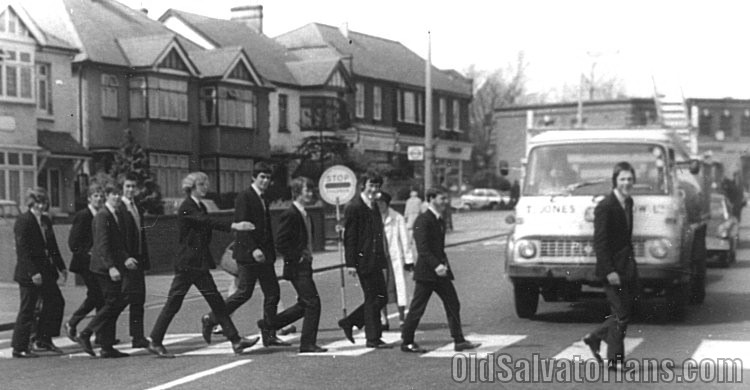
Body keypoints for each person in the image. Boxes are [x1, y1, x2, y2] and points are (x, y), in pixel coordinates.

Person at [147, 172, 260, 357]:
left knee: (216, 302)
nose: (205, 187)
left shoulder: (199, 205)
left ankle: (236, 340)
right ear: (191, 187)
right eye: (201, 184)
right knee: (174, 303)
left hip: (198, 264)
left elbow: (206, 225)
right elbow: (206, 222)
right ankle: (155, 340)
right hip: (187, 264)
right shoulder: (187, 207)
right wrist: (234, 226)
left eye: (206, 183)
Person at [201, 162, 290, 348]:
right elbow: (241, 228)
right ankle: (211, 318)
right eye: (262, 177)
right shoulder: (245, 197)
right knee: (243, 293)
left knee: (272, 293)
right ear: (254, 178)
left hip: (264, 256)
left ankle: (269, 333)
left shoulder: (262, 198)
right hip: (249, 255)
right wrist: (253, 249)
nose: (265, 181)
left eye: (267, 178)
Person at [400, 187, 480, 353]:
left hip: (440, 272)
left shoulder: (439, 220)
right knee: (417, 308)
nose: (445, 202)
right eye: (442, 198)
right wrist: (436, 265)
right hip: (427, 273)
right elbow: (423, 249)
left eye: (446, 198)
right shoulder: (423, 220)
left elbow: (439, 248)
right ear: (431, 199)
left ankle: (459, 340)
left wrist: (443, 266)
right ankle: (407, 341)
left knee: (452, 303)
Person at [582, 161, 638, 370]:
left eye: (630, 179)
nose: (627, 183)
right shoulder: (605, 206)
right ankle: (614, 360)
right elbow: (601, 242)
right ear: (615, 181)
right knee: (621, 314)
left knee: (621, 313)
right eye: (623, 179)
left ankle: (595, 338)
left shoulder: (628, 202)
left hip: (627, 266)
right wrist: (609, 271)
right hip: (612, 269)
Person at [262, 176, 326, 353]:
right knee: (313, 303)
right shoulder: (290, 214)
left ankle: (268, 324)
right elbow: (280, 242)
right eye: (307, 190)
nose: (311, 194)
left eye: (312, 190)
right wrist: (297, 257)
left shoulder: (305, 213)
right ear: (297, 193)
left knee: (304, 305)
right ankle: (307, 344)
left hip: (305, 265)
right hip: (297, 267)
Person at [11, 188, 67, 358]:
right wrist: (33, 272)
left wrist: (61, 266)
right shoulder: (23, 220)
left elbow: (52, 246)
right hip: (29, 273)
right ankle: (19, 347)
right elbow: (23, 250)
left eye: (43, 203)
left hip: (46, 271)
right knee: (27, 309)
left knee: (56, 302)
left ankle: (43, 339)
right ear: (31, 203)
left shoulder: (45, 220)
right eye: (37, 203)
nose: (41, 206)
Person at [77, 183, 131, 358]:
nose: (116, 197)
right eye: (112, 194)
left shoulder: (114, 214)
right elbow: (102, 244)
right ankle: (86, 333)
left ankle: (107, 346)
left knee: (114, 302)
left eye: (118, 194)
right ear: (107, 196)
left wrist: (126, 258)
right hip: (103, 268)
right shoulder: (102, 215)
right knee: (112, 303)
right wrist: (111, 267)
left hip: (112, 265)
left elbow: (117, 243)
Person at [338, 172, 391, 349]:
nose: (374, 189)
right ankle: (373, 338)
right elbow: (350, 238)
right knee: (372, 297)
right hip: (363, 261)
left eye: (377, 186)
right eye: (371, 185)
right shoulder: (354, 207)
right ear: (363, 185)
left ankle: (351, 321)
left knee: (381, 297)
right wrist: (350, 263)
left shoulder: (373, 206)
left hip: (375, 259)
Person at [65, 183, 105, 343]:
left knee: (99, 296)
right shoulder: (84, 215)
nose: (99, 199)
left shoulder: (101, 214)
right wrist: (87, 252)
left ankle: (102, 336)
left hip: (98, 262)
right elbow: (73, 242)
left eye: (101, 196)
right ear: (89, 198)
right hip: (85, 263)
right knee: (97, 294)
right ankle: (72, 322)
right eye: (96, 196)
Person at [118, 173, 150, 349]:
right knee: (122, 299)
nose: (130, 190)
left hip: (137, 259)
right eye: (127, 186)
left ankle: (137, 336)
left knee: (139, 298)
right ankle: (99, 332)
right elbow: (117, 238)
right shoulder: (120, 208)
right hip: (126, 260)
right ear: (122, 188)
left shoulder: (136, 206)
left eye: (133, 187)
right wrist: (124, 258)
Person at [374, 191, 414, 330]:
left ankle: (402, 318)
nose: (379, 206)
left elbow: (404, 239)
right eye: (377, 203)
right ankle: (384, 319)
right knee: (380, 289)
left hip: (394, 258)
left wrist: (409, 259)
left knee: (399, 289)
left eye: (382, 203)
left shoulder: (397, 218)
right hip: (379, 259)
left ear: (387, 203)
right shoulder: (373, 218)